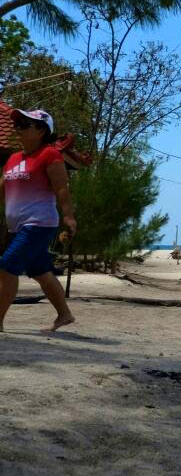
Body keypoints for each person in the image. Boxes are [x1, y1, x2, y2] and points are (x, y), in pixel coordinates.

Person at [0, 109, 76, 332]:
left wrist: (69, 217)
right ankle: (64, 314)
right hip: (17, 226)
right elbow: (2, 190)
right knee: (40, 271)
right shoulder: (13, 159)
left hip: (39, 223)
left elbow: (61, 188)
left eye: (25, 125)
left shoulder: (49, 154)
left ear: (42, 130)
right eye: (18, 124)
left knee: (6, 267)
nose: (18, 128)